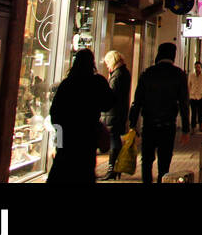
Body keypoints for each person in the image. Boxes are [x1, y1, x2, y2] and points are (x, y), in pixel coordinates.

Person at [47, 48, 114, 183]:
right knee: (84, 172)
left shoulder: (67, 84)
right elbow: (108, 103)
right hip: (86, 138)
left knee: (61, 173)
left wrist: (59, 142)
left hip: (67, 139)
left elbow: (55, 115)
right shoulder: (97, 82)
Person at [129, 42, 191, 183]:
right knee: (164, 161)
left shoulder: (148, 73)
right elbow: (184, 103)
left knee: (146, 160)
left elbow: (137, 101)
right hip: (168, 124)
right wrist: (186, 129)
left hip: (149, 123)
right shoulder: (178, 75)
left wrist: (133, 123)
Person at [102, 51, 131, 180]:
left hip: (113, 113)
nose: (107, 66)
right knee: (115, 139)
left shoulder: (117, 75)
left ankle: (112, 169)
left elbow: (111, 94)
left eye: (108, 63)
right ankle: (114, 169)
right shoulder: (124, 72)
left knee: (114, 139)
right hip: (119, 112)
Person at [188, 61, 202, 133]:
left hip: (201, 96)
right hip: (193, 96)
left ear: (201, 68)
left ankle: (200, 123)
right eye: (196, 67)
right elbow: (189, 85)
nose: (197, 68)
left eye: (198, 67)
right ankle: (193, 127)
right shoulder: (191, 75)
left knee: (201, 112)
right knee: (193, 113)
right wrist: (189, 94)